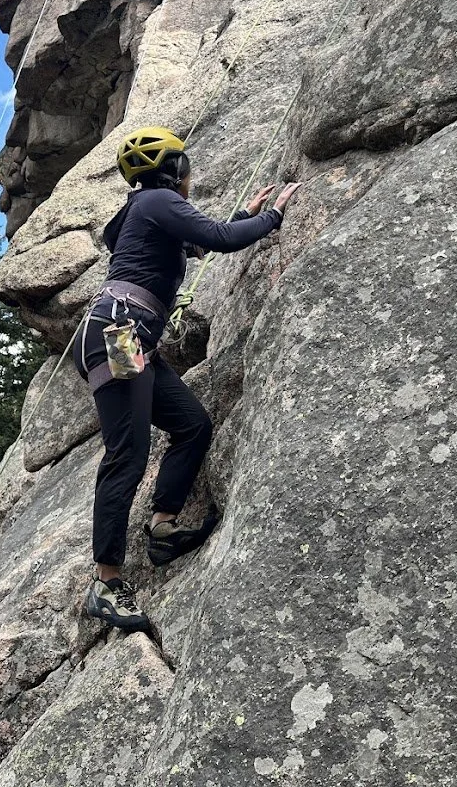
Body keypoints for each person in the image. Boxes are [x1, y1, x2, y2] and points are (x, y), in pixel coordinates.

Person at [73, 126, 300, 631]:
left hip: (130, 340)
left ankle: (163, 527)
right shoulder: (155, 199)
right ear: (174, 171)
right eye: (186, 166)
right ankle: (106, 582)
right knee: (127, 454)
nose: (190, 176)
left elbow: (200, 242)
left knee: (193, 423)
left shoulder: (144, 211)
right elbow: (218, 238)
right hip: (120, 335)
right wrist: (272, 218)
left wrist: (244, 218)